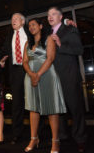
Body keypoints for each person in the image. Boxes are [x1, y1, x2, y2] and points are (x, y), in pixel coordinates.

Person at [23, 18, 66, 153]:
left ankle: (55, 141)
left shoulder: (49, 39)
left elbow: (50, 58)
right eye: (29, 25)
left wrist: (38, 75)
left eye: (34, 24)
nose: (31, 27)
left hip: (47, 75)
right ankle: (34, 138)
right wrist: (31, 74)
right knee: (33, 108)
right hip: (30, 77)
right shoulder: (27, 43)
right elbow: (24, 61)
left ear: (41, 26)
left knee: (51, 108)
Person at [48, 7, 87, 152]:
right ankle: (63, 136)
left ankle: (80, 139)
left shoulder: (70, 29)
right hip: (54, 78)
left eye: (53, 14)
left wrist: (60, 44)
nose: (50, 17)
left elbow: (79, 50)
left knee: (76, 109)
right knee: (59, 109)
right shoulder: (49, 32)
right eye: (48, 15)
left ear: (60, 16)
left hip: (70, 77)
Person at [1, 13, 28, 144]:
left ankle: (37, 133)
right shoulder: (9, 36)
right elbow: (4, 51)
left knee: (34, 102)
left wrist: (67, 21)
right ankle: (17, 134)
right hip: (16, 71)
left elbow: (44, 32)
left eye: (16, 19)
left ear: (23, 21)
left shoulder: (29, 32)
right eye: (12, 19)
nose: (13, 21)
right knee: (16, 104)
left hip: (29, 69)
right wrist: (2, 58)